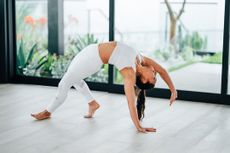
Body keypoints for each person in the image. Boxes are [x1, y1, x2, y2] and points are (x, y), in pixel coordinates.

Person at [31, 41, 177, 133]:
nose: (155, 72)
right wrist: (173, 90)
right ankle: (92, 103)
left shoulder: (129, 73)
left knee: (64, 83)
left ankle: (47, 112)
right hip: (90, 50)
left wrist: (138, 126)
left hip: (91, 60)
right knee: (74, 78)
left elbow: (131, 103)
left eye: (153, 77)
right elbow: (163, 70)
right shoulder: (141, 59)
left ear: (144, 80)